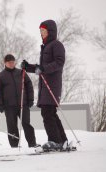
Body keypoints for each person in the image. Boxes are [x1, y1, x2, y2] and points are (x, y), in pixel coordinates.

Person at [21, 20, 68, 148]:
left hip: (52, 85)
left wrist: (43, 69)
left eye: (43, 31)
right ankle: (62, 140)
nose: (41, 33)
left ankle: (55, 141)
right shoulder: (46, 47)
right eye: (40, 31)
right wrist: (28, 67)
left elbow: (59, 62)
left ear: (50, 32)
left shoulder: (56, 45)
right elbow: (41, 68)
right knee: (50, 113)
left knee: (47, 113)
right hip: (45, 86)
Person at [0, 54, 38, 148]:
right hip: (9, 106)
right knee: (12, 126)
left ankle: (32, 144)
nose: (11, 64)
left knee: (26, 123)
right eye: (9, 62)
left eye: (12, 62)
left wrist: (30, 99)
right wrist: (0, 104)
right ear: (5, 63)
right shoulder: (0, 76)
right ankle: (14, 146)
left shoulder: (21, 73)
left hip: (23, 104)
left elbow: (29, 85)